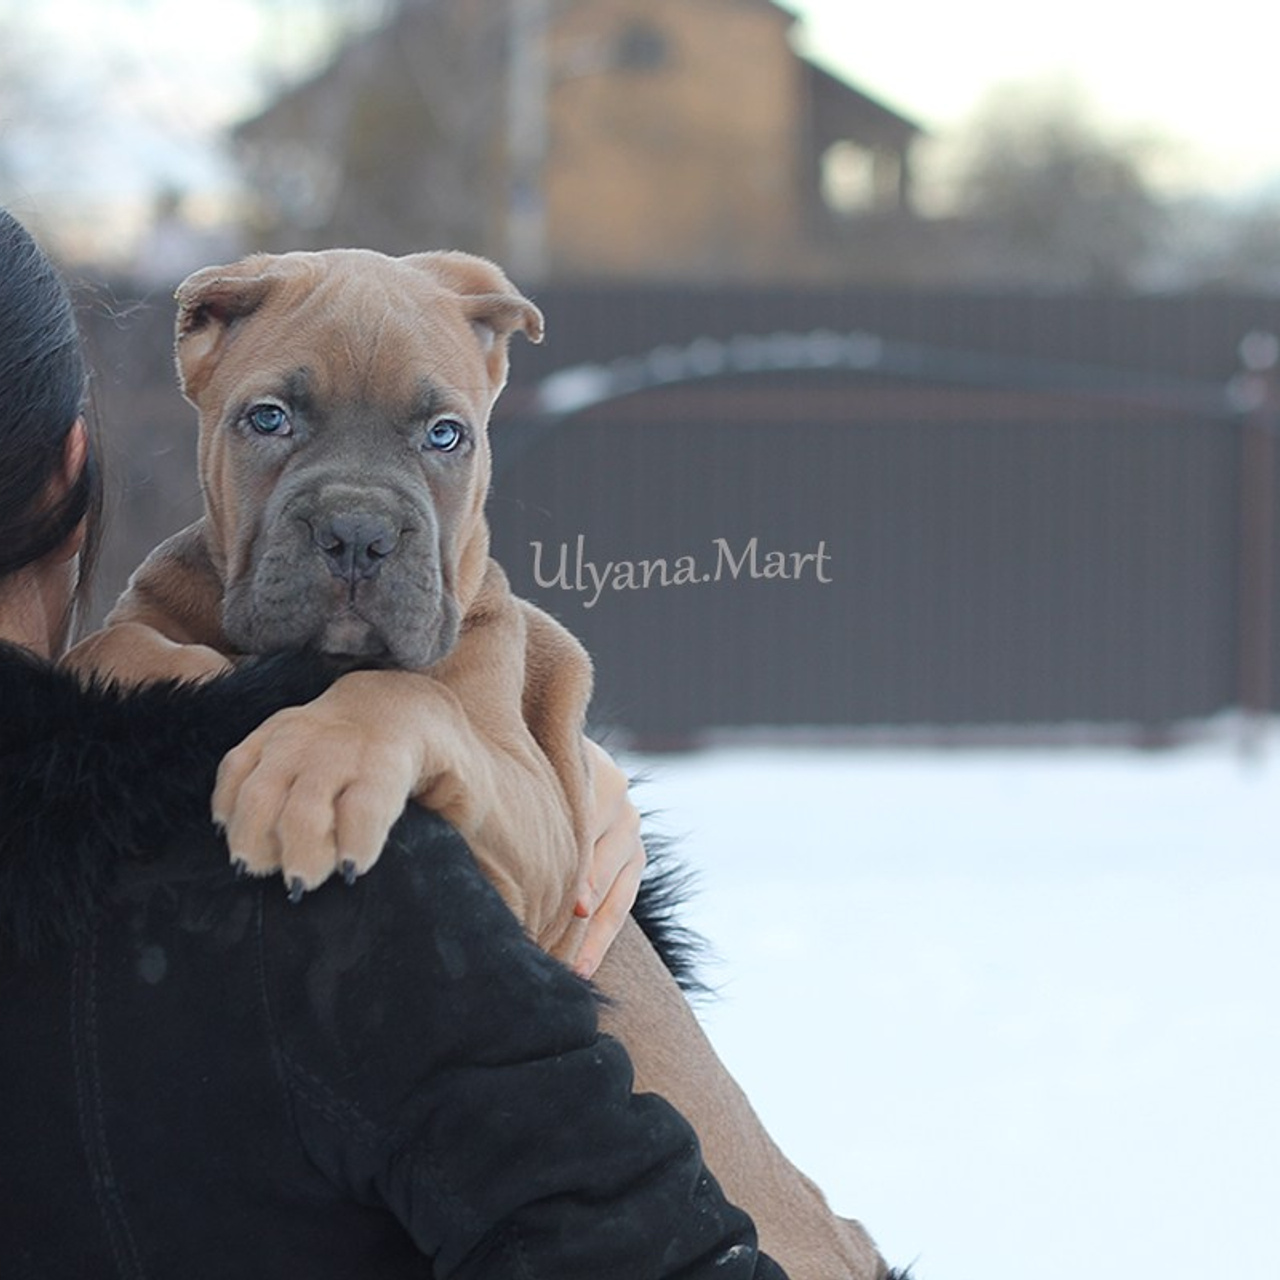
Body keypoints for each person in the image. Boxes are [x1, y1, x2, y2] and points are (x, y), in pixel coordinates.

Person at [0, 207, 789, 1276]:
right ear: (199, 348)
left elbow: (539, 868)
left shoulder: (494, 653)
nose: (360, 516)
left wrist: (445, 728)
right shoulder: (161, 627)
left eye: (439, 437)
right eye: (274, 421)